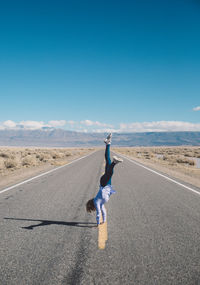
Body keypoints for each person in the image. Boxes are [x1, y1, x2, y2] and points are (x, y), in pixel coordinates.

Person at [86, 133, 123, 226]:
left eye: (92, 209)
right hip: (107, 186)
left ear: (92, 205)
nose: (94, 210)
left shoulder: (96, 202)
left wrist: (98, 223)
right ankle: (108, 143)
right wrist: (104, 221)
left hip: (103, 184)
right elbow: (103, 212)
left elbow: (99, 213)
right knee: (108, 161)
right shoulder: (101, 204)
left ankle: (115, 163)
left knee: (109, 173)